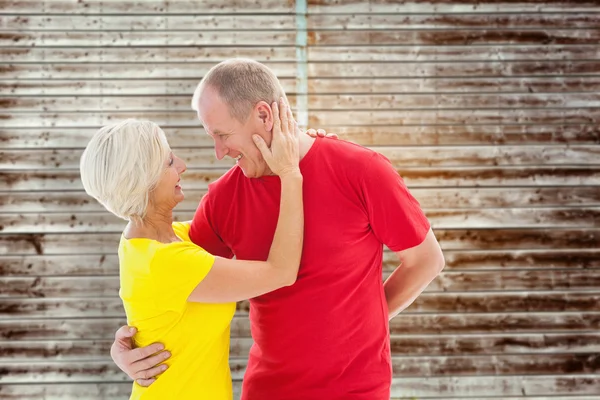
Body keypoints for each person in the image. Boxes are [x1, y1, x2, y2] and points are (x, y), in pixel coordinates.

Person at [111, 58, 446, 400]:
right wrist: (127, 347)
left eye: (223, 135)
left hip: (357, 391)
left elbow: (426, 261)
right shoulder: (224, 198)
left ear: (264, 116)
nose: (218, 152)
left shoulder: (361, 170)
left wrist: (366, 323)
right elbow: (172, 280)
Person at [80, 99, 306, 400]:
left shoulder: (162, 240)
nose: (182, 165)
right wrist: (290, 173)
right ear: (143, 181)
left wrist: (300, 145)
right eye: (169, 162)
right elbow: (282, 272)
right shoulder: (168, 261)